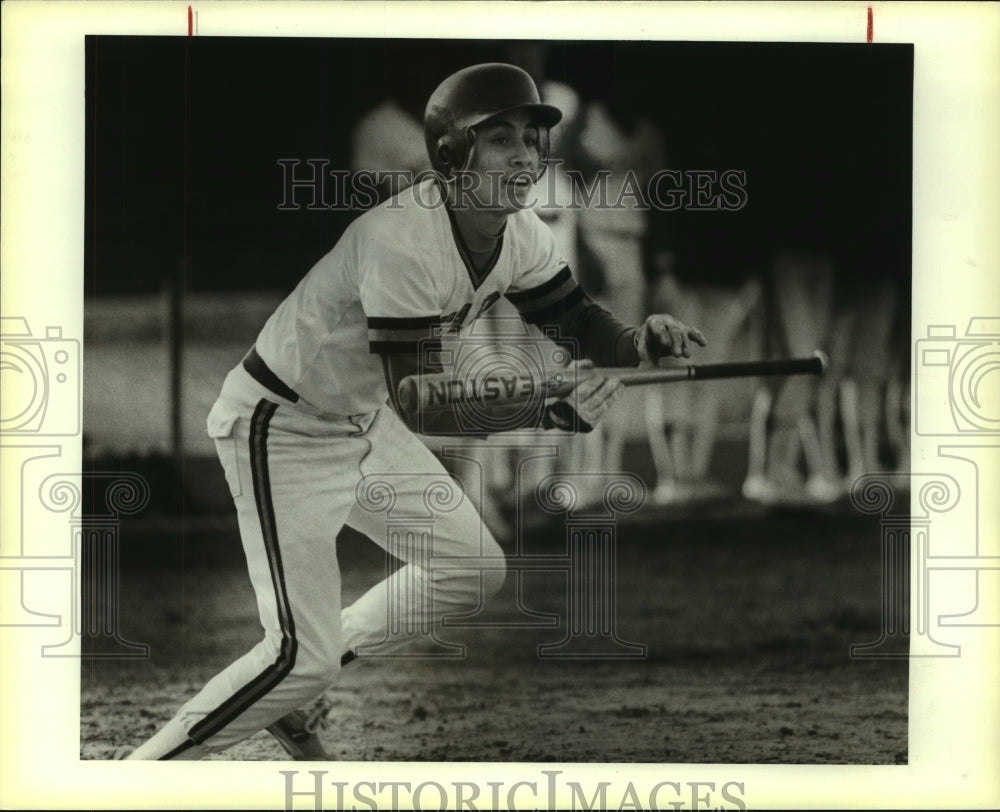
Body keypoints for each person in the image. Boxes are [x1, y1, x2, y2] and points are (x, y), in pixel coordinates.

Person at [125, 63, 706, 761]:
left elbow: (577, 319)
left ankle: (292, 688)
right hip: (279, 427)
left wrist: (639, 341)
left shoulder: (520, 234)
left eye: (531, 137)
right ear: (452, 154)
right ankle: (132, 780)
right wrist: (546, 408)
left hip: (361, 422)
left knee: (471, 571)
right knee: (298, 655)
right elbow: (423, 403)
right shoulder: (403, 236)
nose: (526, 155)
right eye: (502, 140)